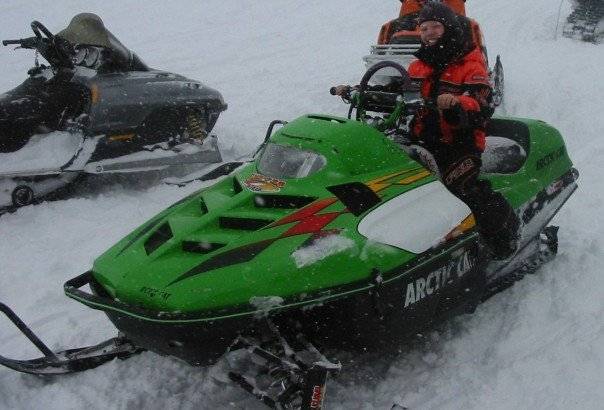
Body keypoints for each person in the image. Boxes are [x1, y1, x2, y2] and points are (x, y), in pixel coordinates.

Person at [406, 2, 519, 259]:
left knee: (458, 187)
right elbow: (403, 91)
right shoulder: (418, 65)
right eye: (424, 28)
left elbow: (480, 102)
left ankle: (505, 237)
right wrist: (359, 91)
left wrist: (457, 102)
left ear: (449, 28)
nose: (430, 32)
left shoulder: (470, 62)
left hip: (461, 143)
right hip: (424, 140)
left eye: (435, 26)